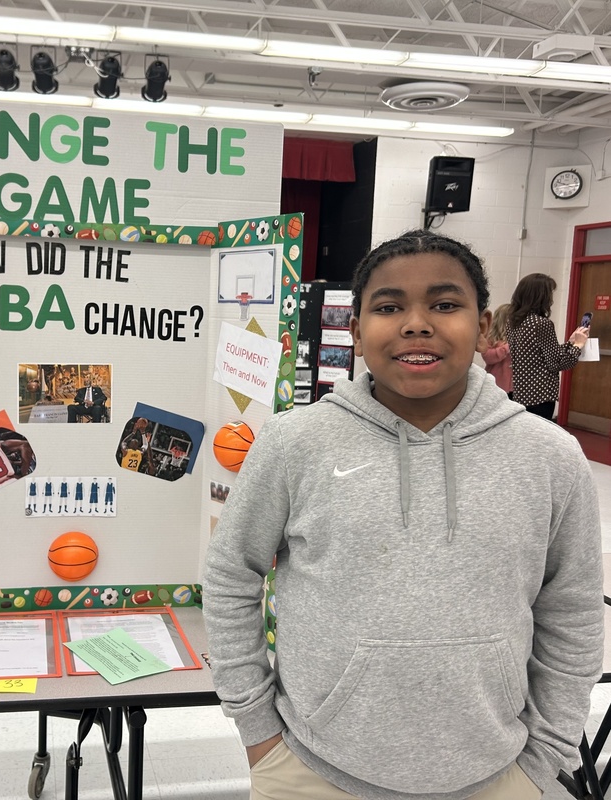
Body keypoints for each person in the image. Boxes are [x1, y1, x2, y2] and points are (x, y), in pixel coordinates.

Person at [203, 229, 603, 800]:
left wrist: (546, 757)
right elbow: (229, 574)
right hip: (310, 770)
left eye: (444, 304)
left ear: (484, 326)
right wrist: (257, 731)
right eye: (389, 307)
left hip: (501, 775)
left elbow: (574, 612)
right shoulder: (296, 443)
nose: (417, 323)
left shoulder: (550, 456)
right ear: (357, 333)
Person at [507, 273, 589, 419]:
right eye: (550, 293)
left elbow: (540, 355)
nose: (551, 299)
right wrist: (578, 345)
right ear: (541, 296)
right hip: (540, 394)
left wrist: (570, 343)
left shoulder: (513, 321)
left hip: (521, 392)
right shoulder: (542, 323)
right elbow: (557, 363)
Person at [481, 302, 513, 397]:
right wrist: (505, 349)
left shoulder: (516, 336)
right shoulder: (491, 337)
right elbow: (487, 356)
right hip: (496, 385)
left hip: (514, 387)